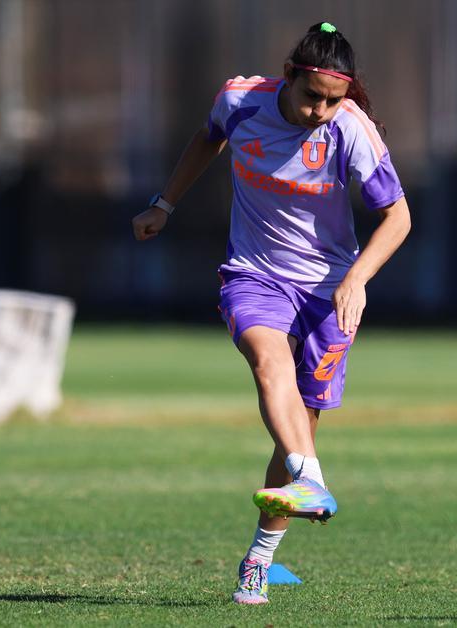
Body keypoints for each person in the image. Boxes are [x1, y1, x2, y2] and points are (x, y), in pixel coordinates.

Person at [131, 22, 411, 605]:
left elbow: (399, 218)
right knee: (267, 358)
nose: (321, 111)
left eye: (334, 101)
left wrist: (356, 279)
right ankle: (310, 478)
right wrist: (165, 204)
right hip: (254, 274)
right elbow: (206, 139)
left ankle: (258, 558)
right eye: (312, 96)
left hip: (330, 288)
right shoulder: (240, 101)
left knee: (299, 427)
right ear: (288, 76)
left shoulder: (351, 131)